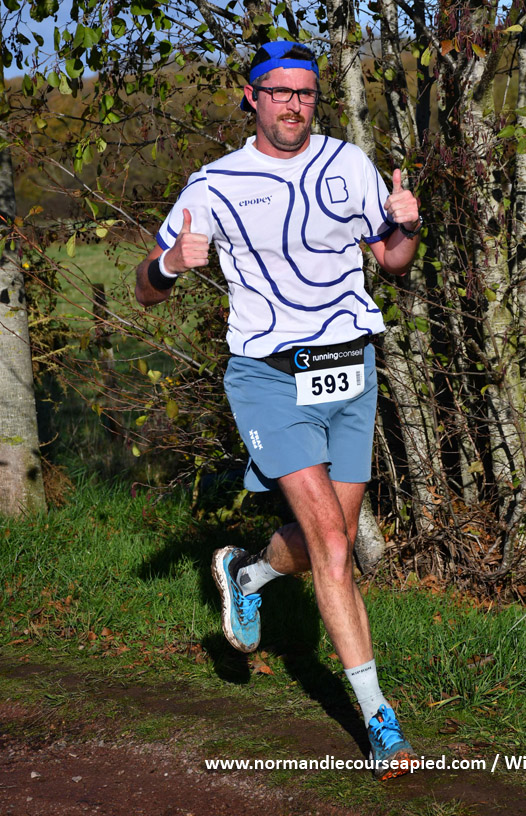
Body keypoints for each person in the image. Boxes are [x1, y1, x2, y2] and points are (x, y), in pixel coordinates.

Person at [135, 40, 423, 780]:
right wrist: (170, 264)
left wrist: (406, 227)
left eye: (305, 93)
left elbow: (391, 262)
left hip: (350, 369)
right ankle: (380, 721)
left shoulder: (348, 164)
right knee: (332, 545)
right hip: (269, 376)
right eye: (280, 92)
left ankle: (247, 575)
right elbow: (144, 287)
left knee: (335, 536)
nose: (294, 105)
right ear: (252, 97)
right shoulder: (215, 184)